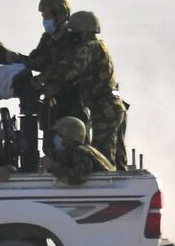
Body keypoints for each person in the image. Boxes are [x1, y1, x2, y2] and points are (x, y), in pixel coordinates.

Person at [35, 10, 128, 168]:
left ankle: (105, 191)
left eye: (73, 32)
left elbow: (69, 69)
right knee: (118, 160)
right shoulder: (100, 47)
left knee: (103, 159)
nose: (71, 35)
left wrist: (41, 78)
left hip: (105, 109)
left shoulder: (90, 48)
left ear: (83, 32)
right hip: (113, 107)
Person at [24, 0, 89, 133]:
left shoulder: (75, 39)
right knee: (51, 144)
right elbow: (37, 60)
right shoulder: (47, 38)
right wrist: (19, 60)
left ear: (59, 15)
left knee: (73, 140)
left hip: (74, 100)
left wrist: (52, 83)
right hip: (52, 101)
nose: (44, 20)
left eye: (46, 16)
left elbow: (73, 69)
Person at [41, 116, 115, 186]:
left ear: (68, 137)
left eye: (60, 135)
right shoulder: (81, 150)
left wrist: (52, 167)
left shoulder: (80, 151)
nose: (55, 138)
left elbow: (79, 177)